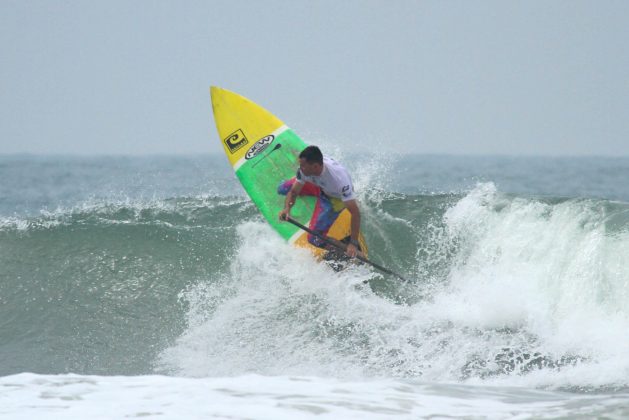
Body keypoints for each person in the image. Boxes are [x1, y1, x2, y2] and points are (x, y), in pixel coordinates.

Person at [278, 145, 361, 258]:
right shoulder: (305, 171)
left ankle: (345, 251)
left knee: (314, 239)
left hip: (334, 198)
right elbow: (293, 192)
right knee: (282, 189)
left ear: (315, 166)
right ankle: (312, 188)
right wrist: (287, 209)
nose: (300, 168)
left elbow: (355, 212)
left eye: (303, 166)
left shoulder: (339, 180)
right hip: (317, 185)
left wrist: (353, 243)